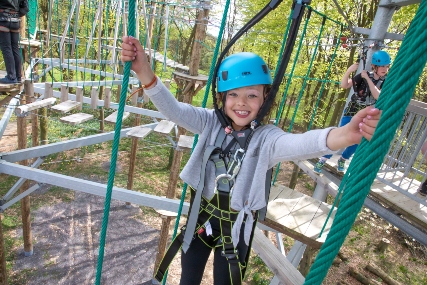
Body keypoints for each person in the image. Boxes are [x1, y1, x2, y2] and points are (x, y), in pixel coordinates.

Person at [121, 36, 381, 285]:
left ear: (264, 99)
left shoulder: (266, 140)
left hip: (235, 234)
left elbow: (300, 144)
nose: (241, 103)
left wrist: (345, 135)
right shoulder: (210, 123)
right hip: (200, 221)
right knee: (188, 279)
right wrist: (144, 71)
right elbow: (174, 110)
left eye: (252, 95)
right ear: (222, 97)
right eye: (233, 94)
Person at [314, 50, 391, 174]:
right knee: (341, 134)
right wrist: (349, 71)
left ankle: (343, 159)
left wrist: (368, 79)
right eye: (382, 66)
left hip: (367, 112)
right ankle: (323, 158)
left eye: (386, 66)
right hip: (353, 110)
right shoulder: (364, 75)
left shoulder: (386, 81)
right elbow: (345, 85)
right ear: (374, 66)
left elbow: (378, 96)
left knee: (357, 139)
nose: (384, 68)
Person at [0, 0, 23, 84]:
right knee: (15, 48)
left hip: (3, 20)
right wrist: (16, 13)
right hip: (15, 20)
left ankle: (11, 77)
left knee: (6, 48)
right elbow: (25, 7)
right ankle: (18, 76)